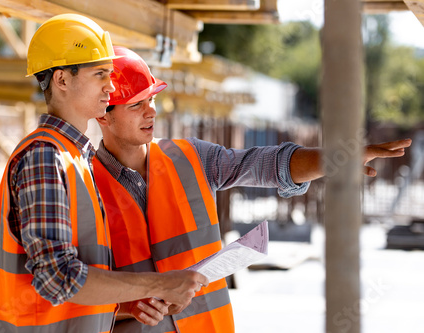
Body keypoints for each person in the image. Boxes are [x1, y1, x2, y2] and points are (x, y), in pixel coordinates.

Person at [93, 46, 413, 332]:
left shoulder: (190, 158)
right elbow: (73, 288)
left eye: (152, 99)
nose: (151, 111)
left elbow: (266, 164)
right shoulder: (84, 184)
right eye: (136, 105)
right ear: (103, 116)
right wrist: (128, 306)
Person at [0, 15, 208, 333]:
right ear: (62, 80)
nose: (111, 86)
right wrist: (161, 284)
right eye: (100, 75)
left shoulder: (76, 157)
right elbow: (58, 279)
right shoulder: (46, 157)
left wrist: (128, 302)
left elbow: (69, 288)